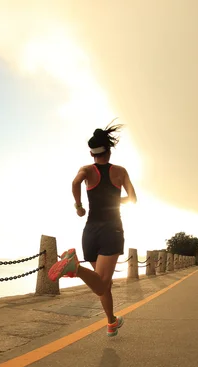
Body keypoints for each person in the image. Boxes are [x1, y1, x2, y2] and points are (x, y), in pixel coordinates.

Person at [48, 122, 137, 337]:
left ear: (91, 153)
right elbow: (133, 199)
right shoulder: (120, 171)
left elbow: (75, 182)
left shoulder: (86, 170)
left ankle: (111, 322)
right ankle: (74, 267)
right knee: (102, 284)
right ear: (109, 150)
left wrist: (79, 206)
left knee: (102, 283)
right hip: (111, 231)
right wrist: (115, 200)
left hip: (90, 232)